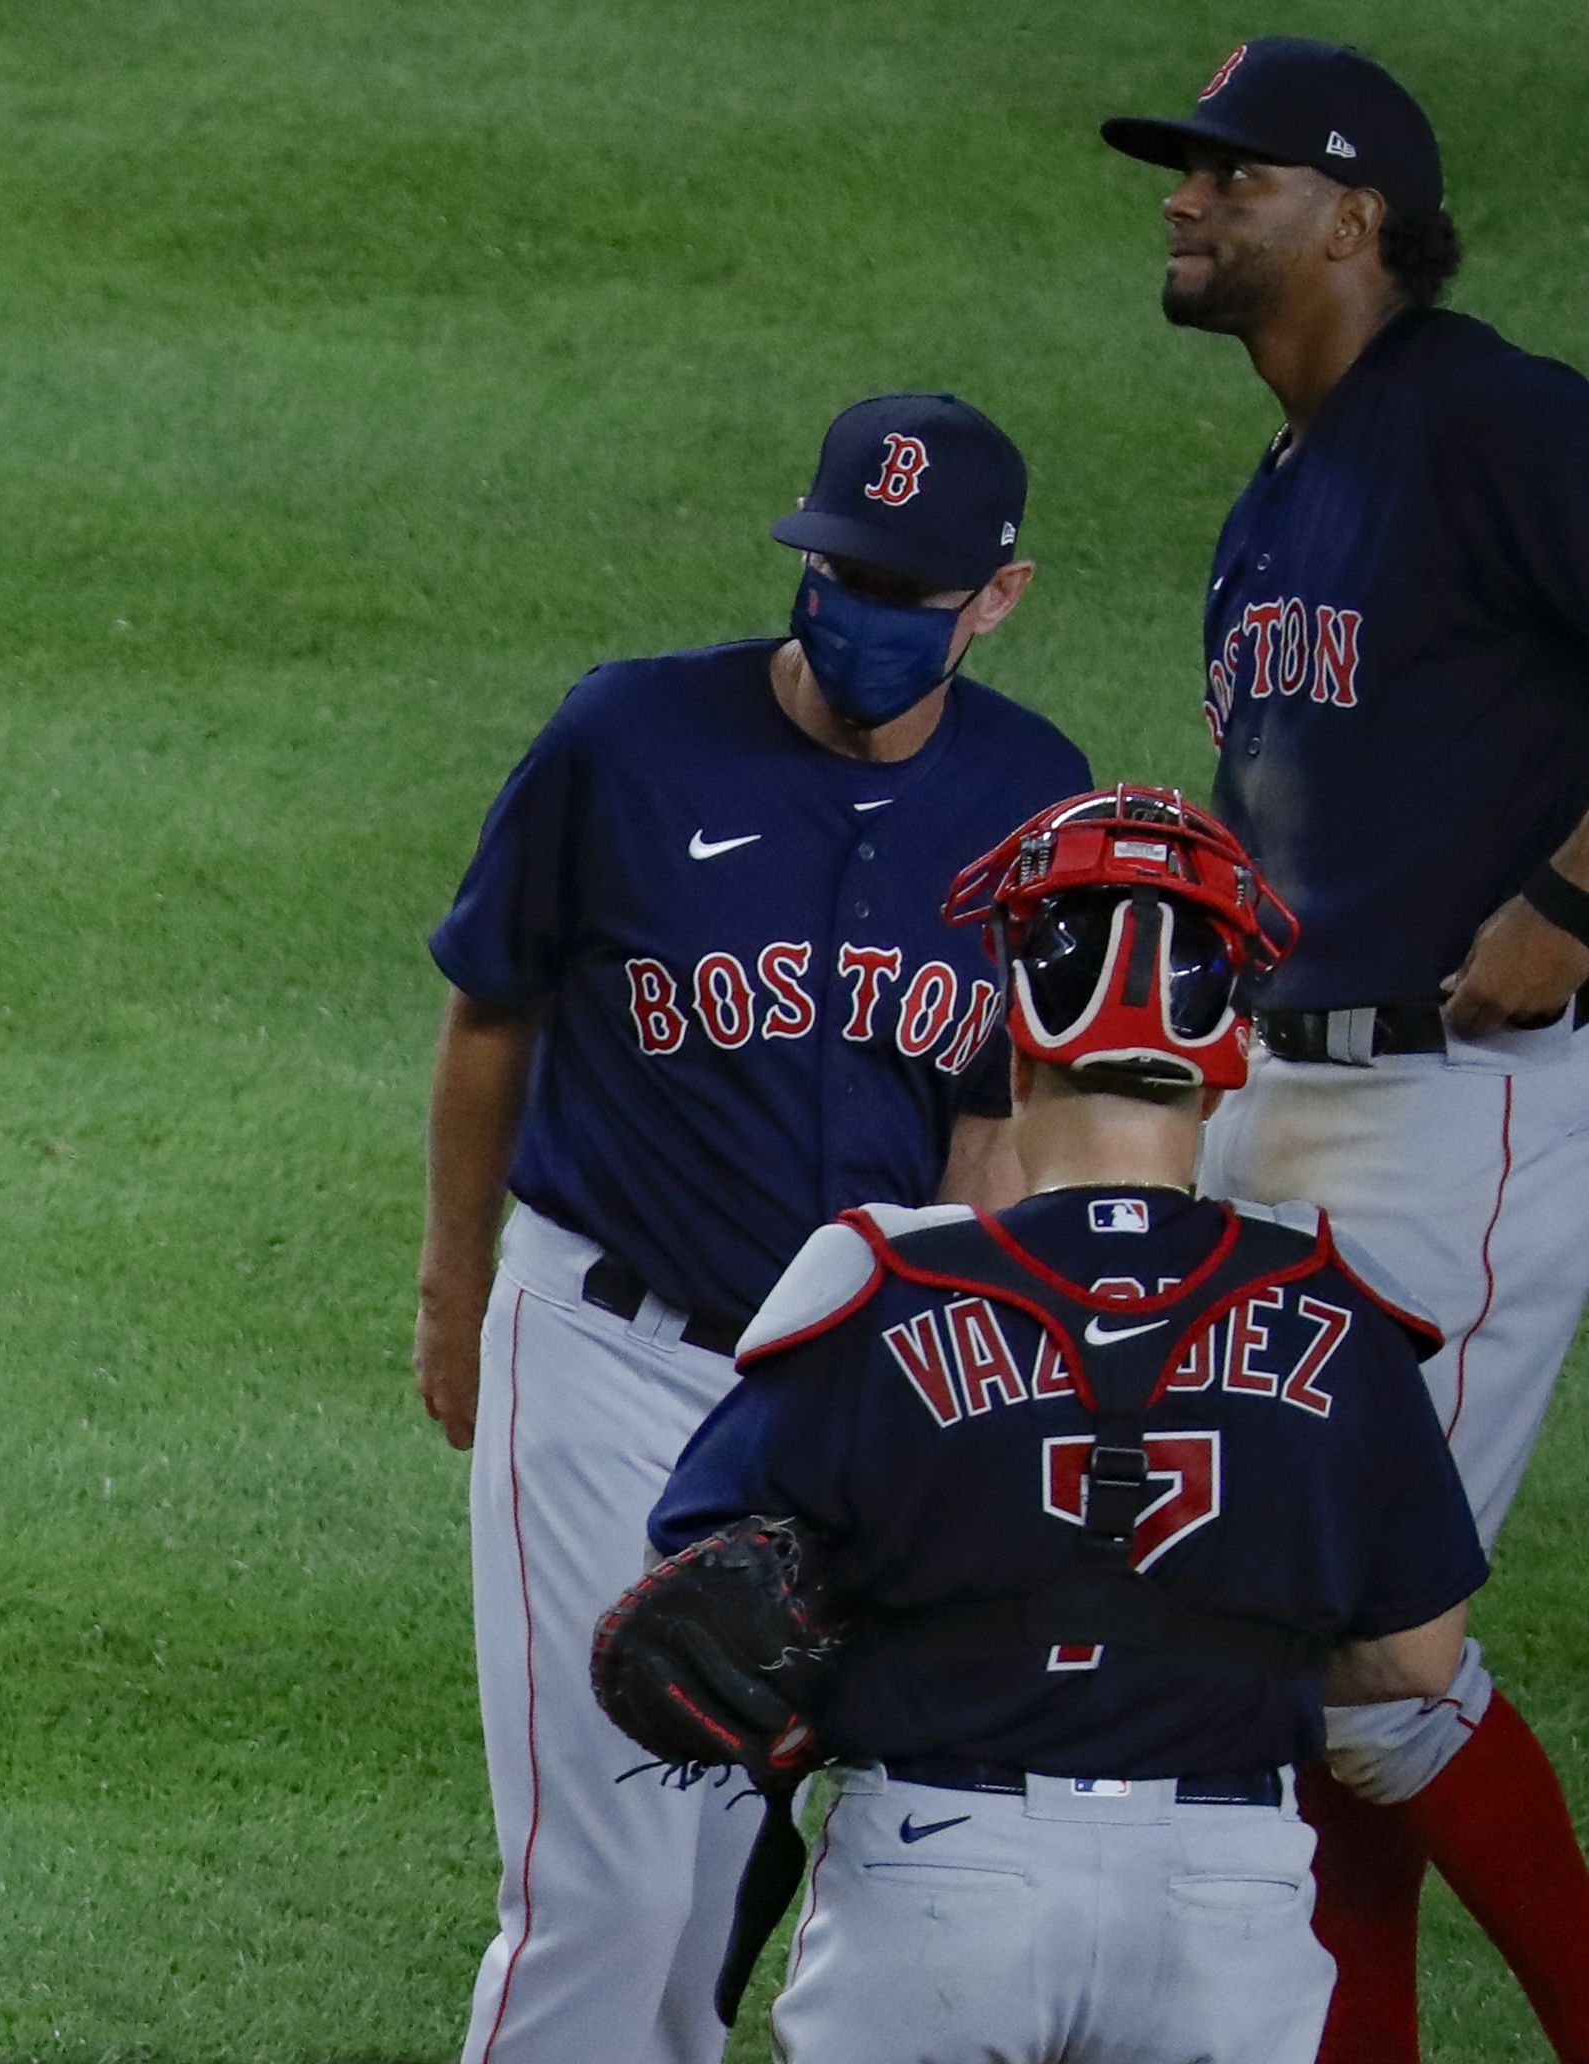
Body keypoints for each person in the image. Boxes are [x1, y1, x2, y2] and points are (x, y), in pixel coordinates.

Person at [414, 393, 1091, 2064]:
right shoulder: (626, 740)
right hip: (603, 1354)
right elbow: (488, 1010)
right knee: (603, 1889)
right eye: (836, 567)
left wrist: (989, 1356)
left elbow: (996, 1114)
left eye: (902, 591)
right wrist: (450, 1289)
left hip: (855, 1391)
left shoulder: (1032, 792)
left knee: (724, 1876)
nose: (855, 613)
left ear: (994, 599)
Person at [654, 786, 1487, 2064]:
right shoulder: (1335, 1300)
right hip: (1229, 1897)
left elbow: (699, 1598)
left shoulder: (874, 1281)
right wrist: (1202, 1662)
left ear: (1016, 1048)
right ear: (1225, 1071)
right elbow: (1420, 1661)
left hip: (945, 1878)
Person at [1102, 39, 1589, 2059]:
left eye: (1235, 172)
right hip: (1288, 1106)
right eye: (1182, 171)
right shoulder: (1284, 487)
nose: (1184, 198)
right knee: (1265, 1646)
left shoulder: (1495, 422)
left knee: (1373, 1657)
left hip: (1460, 1121)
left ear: (1359, 214)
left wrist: (1571, 904)